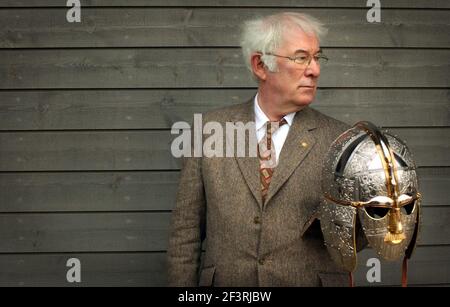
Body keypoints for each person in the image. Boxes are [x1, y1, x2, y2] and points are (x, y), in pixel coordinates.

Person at [167, 12, 354, 287]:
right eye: (301, 57)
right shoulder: (209, 130)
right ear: (260, 65)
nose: (314, 69)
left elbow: (355, 241)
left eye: (317, 57)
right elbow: (185, 233)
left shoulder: (342, 140)